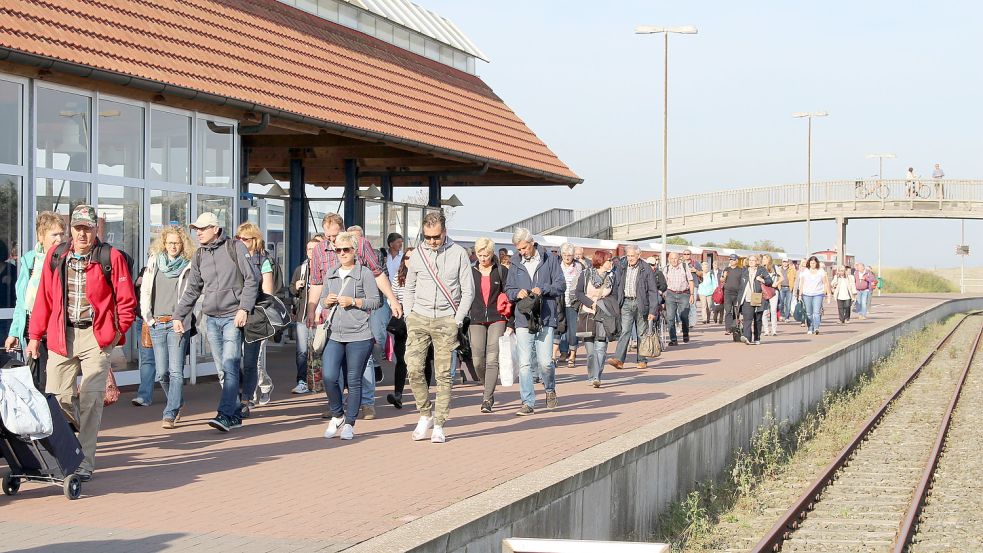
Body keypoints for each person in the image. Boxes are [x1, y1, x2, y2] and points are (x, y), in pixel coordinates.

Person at [26, 204, 136, 481]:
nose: (83, 234)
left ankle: (84, 463)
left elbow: (126, 300)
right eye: (78, 228)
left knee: (91, 399)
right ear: (71, 229)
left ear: (95, 228)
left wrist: (114, 334)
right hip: (63, 335)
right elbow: (44, 300)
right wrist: (35, 337)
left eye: (88, 228)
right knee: (56, 398)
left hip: (95, 337)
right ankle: (68, 448)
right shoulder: (57, 255)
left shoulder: (110, 257)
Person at [306, 214, 403, 421]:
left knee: (363, 362)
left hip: (359, 316)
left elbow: (378, 274)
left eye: (335, 236)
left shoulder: (360, 245)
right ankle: (337, 406)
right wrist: (311, 309)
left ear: (344, 231)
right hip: (331, 317)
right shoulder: (319, 250)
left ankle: (367, 404)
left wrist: (392, 300)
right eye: (328, 236)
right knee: (334, 367)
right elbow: (315, 282)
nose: (332, 241)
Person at [172, 212, 259, 432]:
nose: (198, 232)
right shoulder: (199, 255)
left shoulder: (235, 247)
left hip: (233, 317)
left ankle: (224, 414)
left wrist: (244, 308)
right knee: (222, 369)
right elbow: (192, 289)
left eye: (203, 228)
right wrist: (178, 315)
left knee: (229, 366)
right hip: (211, 319)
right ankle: (236, 413)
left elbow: (252, 279)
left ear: (216, 229)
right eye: (196, 229)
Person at [403, 211, 474, 443]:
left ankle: (440, 423)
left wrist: (457, 319)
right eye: (427, 237)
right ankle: (425, 414)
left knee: (444, 374)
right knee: (413, 368)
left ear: (444, 232)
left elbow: (468, 291)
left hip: (446, 318)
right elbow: (410, 287)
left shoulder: (459, 254)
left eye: (436, 237)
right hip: (419, 317)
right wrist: (408, 314)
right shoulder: (418, 255)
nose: (432, 241)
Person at [320, 232, 380, 441]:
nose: (342, 253)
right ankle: (337, 414)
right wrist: (326, 301)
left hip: (360, 335)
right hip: (335, 334)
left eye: (346, 250)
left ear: (355, 251)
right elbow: (321, 300)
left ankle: (350, 423)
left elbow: (375, 301)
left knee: (353, 380)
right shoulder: (331, 273)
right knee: (328, 376)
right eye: (338, 250)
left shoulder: (364, 273)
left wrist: (354, 301)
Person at [139, 226, 195, 428]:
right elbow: (145, 290)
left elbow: (192, 295)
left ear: (183, 245)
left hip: (177, 323)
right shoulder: (154, 261)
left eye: (177, 243)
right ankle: (177, 401)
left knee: (176, 371)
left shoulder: (189, 265)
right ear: (163, 243)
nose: (173, 246)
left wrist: (183, 318)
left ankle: (170, 413)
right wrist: (148, 317)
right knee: (162, 372)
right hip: (157, 323)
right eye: (170, 242)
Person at [506, 228, 565, 416]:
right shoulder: (515, 262)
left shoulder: (549, 259)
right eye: (518, 249)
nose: (521, 252)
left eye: (524, 248)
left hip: (546, 316)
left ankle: (549, 389)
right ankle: (527, 402)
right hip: (524, 317)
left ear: (532, 243)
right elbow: (508, 289)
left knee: (545, 362)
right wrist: (517, 293)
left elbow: (561, 285)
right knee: (524, 363)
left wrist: (544, 289)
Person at [5, 211, 65, 390]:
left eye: (62, 234)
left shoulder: (64, 259)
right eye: (54, 234)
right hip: (32, 331)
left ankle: (61, 418)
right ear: (41, 236)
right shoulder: (30, 260)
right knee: (36, 383)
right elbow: (22, 302)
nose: (59, 239)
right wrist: (15, 332)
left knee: (57, 386)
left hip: (57, 330)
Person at [236, 222, 276, 417]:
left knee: (251, 360)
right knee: (233, 360)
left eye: (246, 239)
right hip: (234, 314)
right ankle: (240, 392)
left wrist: (257, 311)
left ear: (255, 240)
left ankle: (247, 398)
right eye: (239, 239)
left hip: (255, 317)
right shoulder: (234, 258)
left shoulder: (263, 260)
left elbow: (268, 293)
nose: (242, 242)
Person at [468, 237, 511, 413]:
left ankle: (487, 398)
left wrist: (511, 322)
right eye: (480, 255)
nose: (483, 258)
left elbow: (509, 295)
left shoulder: (501, 271)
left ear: (492, 253)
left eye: (486, 255)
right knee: (478, 359)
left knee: (493, 358)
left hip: (497, 317)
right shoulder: (470, 272)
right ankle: (488, 385)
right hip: (476, 318)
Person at [608, 245, 659, 370]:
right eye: (628, 256)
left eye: (632, 256)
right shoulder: (622, 266)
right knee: (625, 331)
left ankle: (642, 359)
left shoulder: (646, 268)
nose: (630, 258)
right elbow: (617, 284)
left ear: (638, 255)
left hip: (641, 303)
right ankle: (619, 360)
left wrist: (653, 310)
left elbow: (653, 291)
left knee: (641, 333)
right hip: (626, 302)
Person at [576, 250, 619, 387]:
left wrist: (604, 304)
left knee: (601, 348)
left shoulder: (612, 276)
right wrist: (591, 303)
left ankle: (597, 377)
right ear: (601, 261)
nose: (611, 263)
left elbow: (615, 295)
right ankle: (590, 375)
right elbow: (579, 293)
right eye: (609, 260)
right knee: (590, 352)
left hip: (603, 315)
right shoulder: (586, 274)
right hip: (587, 313)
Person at [289, 239, 320, 394]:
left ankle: (317, 380)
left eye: (314, 249)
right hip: (302, 315)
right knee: (301, 350)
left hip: (319, 316)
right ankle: (302, 381)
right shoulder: (301, 269)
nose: (311, 252)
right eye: (308, 249)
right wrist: (296, 287)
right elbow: (291, 289)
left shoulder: (323, 269)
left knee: (317, 349)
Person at [556, 242, 582, 368]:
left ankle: (572, 354)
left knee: (573, 330)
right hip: (560, 301)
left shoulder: (579, 267)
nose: (567, 257)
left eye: (569, 255)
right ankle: (563, 352)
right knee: (561, 328)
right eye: (565, 255)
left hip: (573, 302)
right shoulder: (557, 266)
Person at [737, 254, 773, 345]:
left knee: (757, 319)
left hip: (758, 298)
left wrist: (762, 280)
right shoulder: (744, 271)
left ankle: (757, 337)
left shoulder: (762, 270)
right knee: (747, 319)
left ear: (757, 261)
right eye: (750, 260)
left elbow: (770, 282)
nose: (751, 262)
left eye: (753, 260)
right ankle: (747, 338)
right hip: (747, 299)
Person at [794, 256, 832, 335]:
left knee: (816, 312)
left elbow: (825, 283)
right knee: (808, 313)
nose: (812, 265)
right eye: (811, 263)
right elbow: (802, 283)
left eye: (814, 263)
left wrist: (828, 294)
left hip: (818, 294)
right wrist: (800, 294)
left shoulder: (821, 271)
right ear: (809, 263)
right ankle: (810, 327)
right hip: (807, 294)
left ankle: (816, 327)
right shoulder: (805, 271)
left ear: (816, 263)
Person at [663, 252, 694, 346]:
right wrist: (663, 295)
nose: (674, 260)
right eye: (671, 258)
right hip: (670, 294)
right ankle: (673, 339)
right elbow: (663, 283)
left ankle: (685, 333)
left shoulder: (684, 267)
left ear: (679, 259)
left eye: (675, 258)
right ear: (669, 259)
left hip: (684, 294)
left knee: (684, 316)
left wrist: (692, 294)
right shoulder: (666, 269)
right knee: (670, 317)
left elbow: (690, 281)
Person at [761, 254, 783, 337]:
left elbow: (782, 278)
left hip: (773, 291)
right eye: (762, 259)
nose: (763, 260)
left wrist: (776, 283)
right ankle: (766, 330)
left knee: (773, 310)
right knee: (764, 311)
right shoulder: (761, 268)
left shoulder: (774, 267)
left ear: (769, 260)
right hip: (764, 290)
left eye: (765, 259)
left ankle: (774, 330)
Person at [721, 254, 742, 334]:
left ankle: (735, 327)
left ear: (737, 260)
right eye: (730, 260)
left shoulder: (741, 270)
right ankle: (728, 328)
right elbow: (722, 280)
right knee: (728, 311)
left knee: (736, 312)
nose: (731, 261)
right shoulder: (727, 269)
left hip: (737, 293)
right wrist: (724, 276)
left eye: (732, 259)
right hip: (728, 293)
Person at [682, 250, 703, 326]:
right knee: (684, 304)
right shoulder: (681, 264)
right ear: (683, 255)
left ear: (690, 255)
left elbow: (701, 274)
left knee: (692, 304)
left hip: (693, 286)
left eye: (688, 254)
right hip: (683, 286)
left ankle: (692, 323)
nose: (686, 255)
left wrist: (695, 270)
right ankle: (685, 320)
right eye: (685, 254)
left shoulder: (695, 263)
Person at [696, 261, 717, 325]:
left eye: (706, 267)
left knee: (709, 306)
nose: (705, 268)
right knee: (703, 306)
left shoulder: (710, 274)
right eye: (704, 267)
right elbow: (697, 282)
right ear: (702, 268)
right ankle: (704, 319)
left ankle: (708, 318)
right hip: (701, 292)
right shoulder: (700, 274)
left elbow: (714, 284)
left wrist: (714, 291)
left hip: (710, 292)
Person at [779, 259, 795, 323]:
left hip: (789, 288)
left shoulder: (792, 269)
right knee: (781, 303)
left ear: (788, 263)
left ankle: (787, 317)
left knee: (788, 303)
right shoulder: (779, 269)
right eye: (784, 262)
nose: (785, 263)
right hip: (781, 287)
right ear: (782, 262)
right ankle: (782, 315)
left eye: (786, 262)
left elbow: (795, 278)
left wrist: (793, 286)